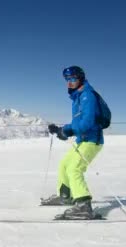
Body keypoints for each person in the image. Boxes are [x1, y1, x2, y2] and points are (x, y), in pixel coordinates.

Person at [41, 66, 104, 220]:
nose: (69, 82)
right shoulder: (78, 97)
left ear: (81, 78)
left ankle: (84, 206)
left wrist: (68, 131)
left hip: (91, 140)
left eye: (73, 79)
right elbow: (78, 123)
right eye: (67, 79)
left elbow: (87, 122)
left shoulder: (87, 96)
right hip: (82, 140)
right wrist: (62, 129)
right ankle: (65, 196)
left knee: (75, 169)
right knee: (64, 165)